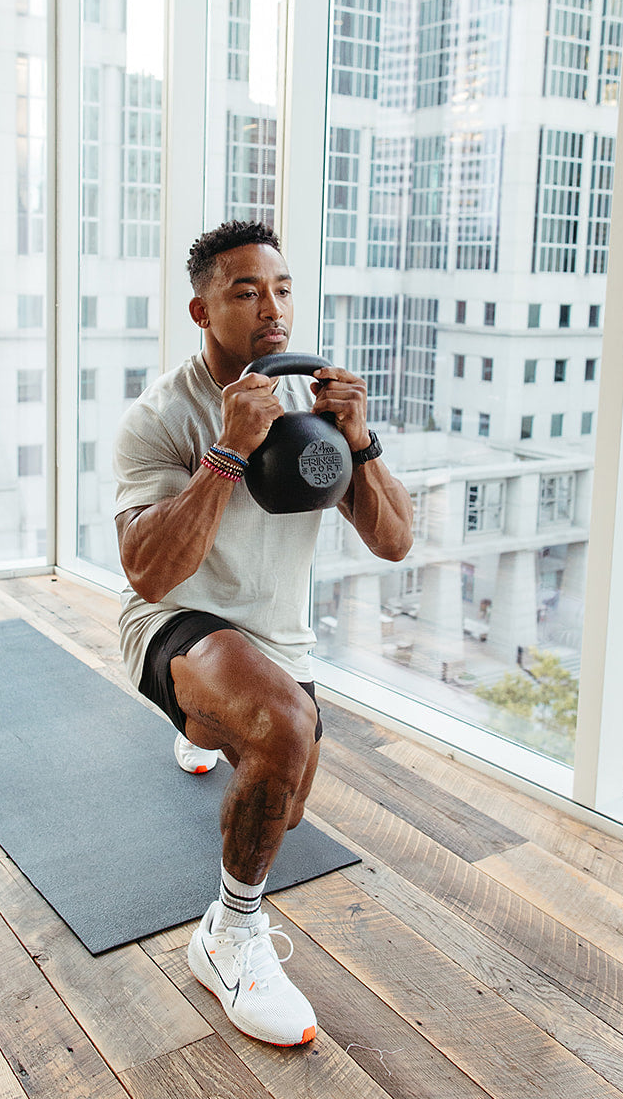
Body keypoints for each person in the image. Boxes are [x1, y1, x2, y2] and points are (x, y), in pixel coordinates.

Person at [113, 219, 413, 1046]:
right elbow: (146, 571)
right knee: (279, 727)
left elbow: (392, 540)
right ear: (202, 311)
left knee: (280, 791)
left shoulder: (314, 408)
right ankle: (229, 935)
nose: (270, 307)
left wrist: (360, 441)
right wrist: (228, 451)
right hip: (175, 620)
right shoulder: (159, 418)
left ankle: (205, 723)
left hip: (272, 640)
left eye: (280, 289)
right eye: (244, 291)